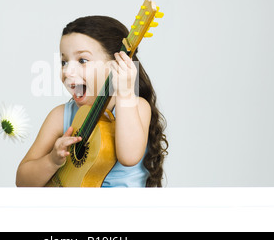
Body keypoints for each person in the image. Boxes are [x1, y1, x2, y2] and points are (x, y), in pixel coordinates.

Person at [16, 16, 168, 187]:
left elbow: (129, 157)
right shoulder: (60, 116)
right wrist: (52, 161)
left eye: (82, 60)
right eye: (64, 62)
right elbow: (22, 180)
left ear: (115, 66)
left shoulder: (137, 106)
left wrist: (125, 93)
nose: (67, 71)